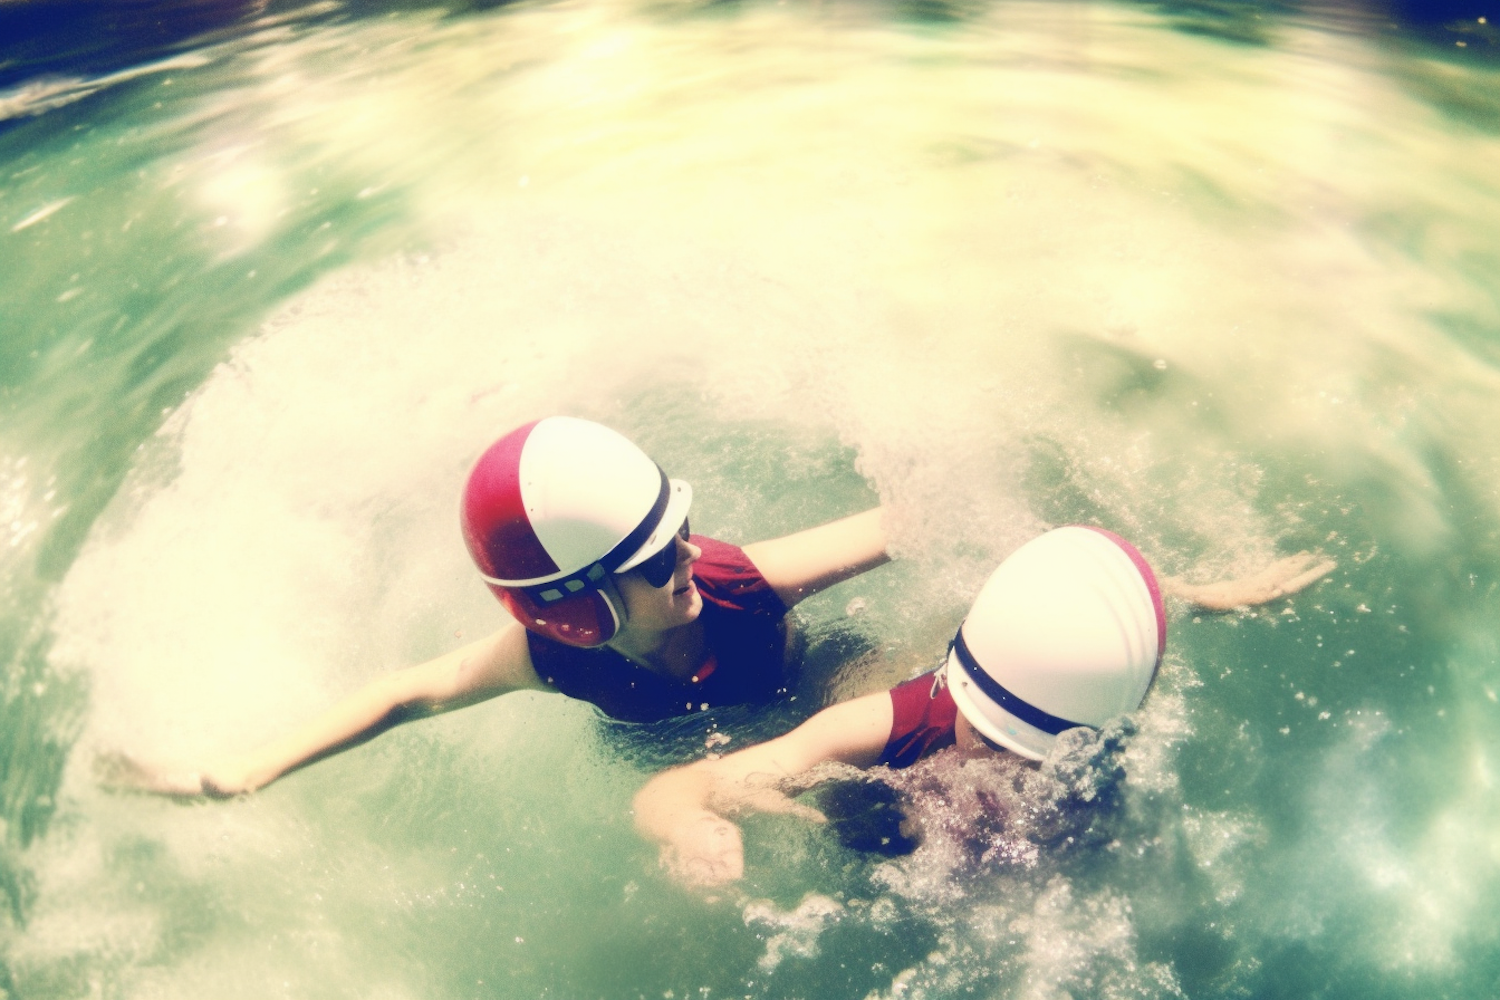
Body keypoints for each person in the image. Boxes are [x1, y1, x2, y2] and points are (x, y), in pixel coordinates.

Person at [103, 416, 891, 798]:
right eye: (656, 556)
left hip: (809, 685)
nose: (689, 554)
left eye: (680, 528)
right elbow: (408, 693)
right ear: (580, 610)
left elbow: (906, 523)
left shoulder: (740, 581)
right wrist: (249, 769)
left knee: (887, 786)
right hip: (676, 749)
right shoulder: (551, 656)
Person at [632, 527, 1336, 887]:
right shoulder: (879, 723)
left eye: (1031, 753)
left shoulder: (1106, 686)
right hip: (867, 710)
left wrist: (1183, 594)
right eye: (991, 737)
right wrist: (687, 826)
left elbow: (1100, 607)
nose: (1001, 765)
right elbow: (674, 787)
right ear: (956, 688)